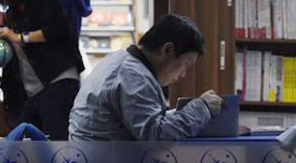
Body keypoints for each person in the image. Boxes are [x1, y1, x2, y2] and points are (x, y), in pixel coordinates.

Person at [68, 14, 223, 141]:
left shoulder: (123, 61)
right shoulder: (133, 77)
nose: (183, 74)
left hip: (94, 160)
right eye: (186, 64)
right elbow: (156, 136)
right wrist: (201, 109)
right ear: (167, 50)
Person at [0, 0, 82, 140]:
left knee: (56, 145)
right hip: (34, 89)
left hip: (57, 79)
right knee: (29, 145)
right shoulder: (12, 7)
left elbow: (57, 29)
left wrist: (19, 37)